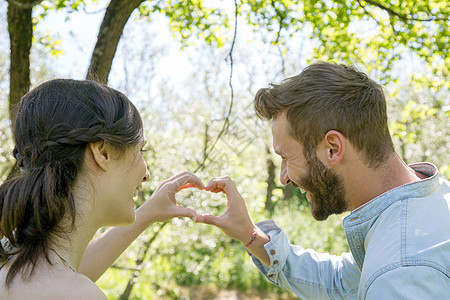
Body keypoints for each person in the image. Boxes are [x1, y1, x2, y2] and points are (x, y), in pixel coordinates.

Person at [196, 62, 450, 299]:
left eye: (286, 157)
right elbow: (343, 282)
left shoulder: (401, 273)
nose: (284, 177)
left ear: (333, 148)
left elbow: (387, 273)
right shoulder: (428, 203)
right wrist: (250, 234)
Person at [0, 79, 204, 299]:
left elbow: (67, 269)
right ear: (103, 151)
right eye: (140, 150)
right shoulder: (78, 294)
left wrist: (147, 213)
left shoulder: (13, 255)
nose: (146, 174)